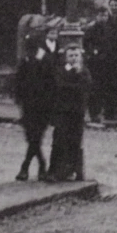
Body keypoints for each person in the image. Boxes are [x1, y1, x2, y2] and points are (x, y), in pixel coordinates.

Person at [14, 35, 55, 181]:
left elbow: (51, 83)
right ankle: (41, 165)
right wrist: (19, 98)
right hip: (28, 105)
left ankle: (26, 167)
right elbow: (18, 81)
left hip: (43, 105)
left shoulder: (46, 60)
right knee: (32, 137)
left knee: (35, 136)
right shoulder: (25, 60)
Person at [49, 42, 91, 181]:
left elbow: (85, 87)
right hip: (62, 110)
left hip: (77, 112)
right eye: (71, 55)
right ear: (66, 57)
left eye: (76, 55)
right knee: (59, 139)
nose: (73, 58)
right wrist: (75, 84)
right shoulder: (60, 70)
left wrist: (76, 79)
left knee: (76, 140)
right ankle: (55, 170)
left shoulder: (84, 72)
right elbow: (60, 86)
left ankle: (75, 170)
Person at [83, 5, 117, 123]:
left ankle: (110, 113)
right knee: (96, 89)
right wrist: (93, 53)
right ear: (97, 16)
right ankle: (94, 114)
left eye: (105, 15)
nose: (103, 17)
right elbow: (86, 44)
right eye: (101, 15)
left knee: (110, 88)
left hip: (110, 63)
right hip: (96, 63)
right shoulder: (91, 29)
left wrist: (115, 56)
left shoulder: (112, 29)